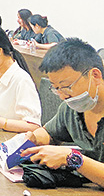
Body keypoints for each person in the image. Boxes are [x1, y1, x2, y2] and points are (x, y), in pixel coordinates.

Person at [21, 38, 104, 187]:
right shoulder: (71, 109)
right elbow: (49, 133)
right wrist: (34, 138)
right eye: (56, 88)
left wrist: (72, 158)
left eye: (66, 87)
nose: (63, 96)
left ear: (95, 76)